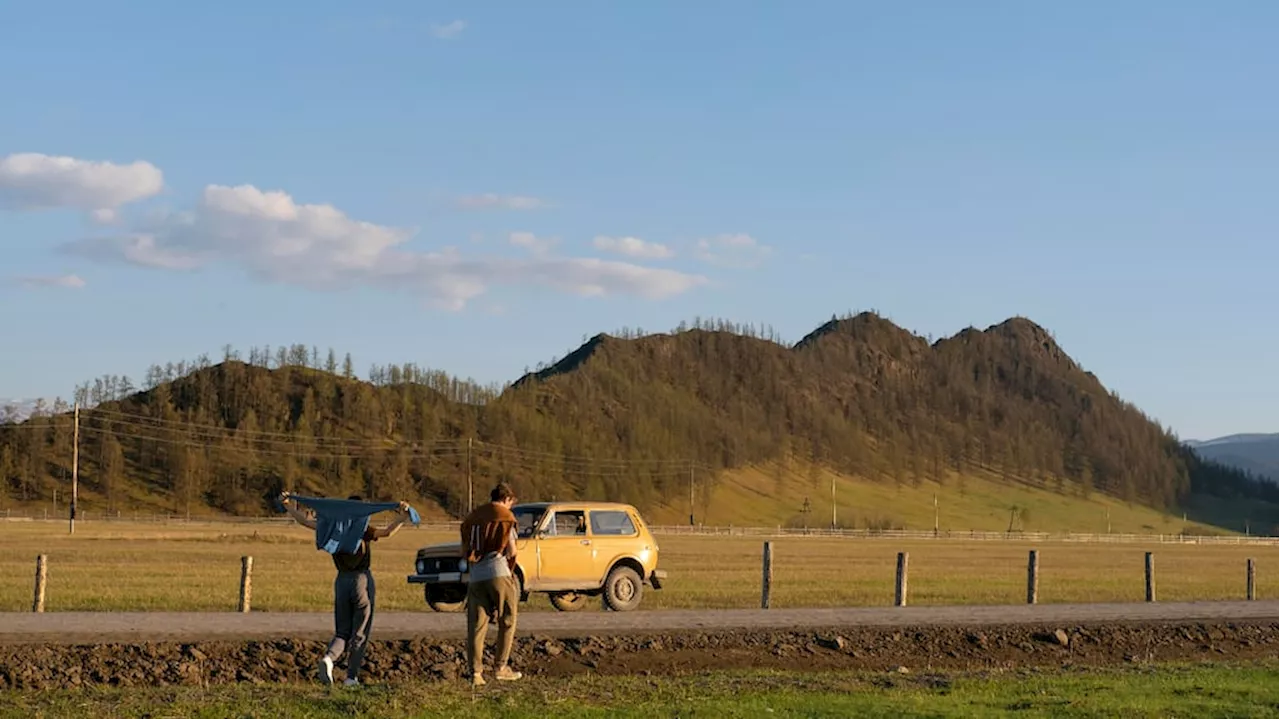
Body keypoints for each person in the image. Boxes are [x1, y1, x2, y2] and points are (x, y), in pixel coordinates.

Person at [281, 492, 415, 687]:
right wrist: (402, 516)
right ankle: (351, 677)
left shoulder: (332, 529)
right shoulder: (362, 530)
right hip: (361, 580)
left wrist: (288, 505)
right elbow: (386, 532)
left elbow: (305, 522)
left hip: (341, 581)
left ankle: (329, 658)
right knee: (360, 633)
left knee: (342, 632)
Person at [460, 482, 523, 687]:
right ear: (507, 499)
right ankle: (501, 667)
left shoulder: (474, 517)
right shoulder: (505, 517)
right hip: (498, 571)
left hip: (476, 574)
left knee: (477, 625)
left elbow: (466, 544)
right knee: (507, 619)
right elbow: (512, 551)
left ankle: (476, 673)